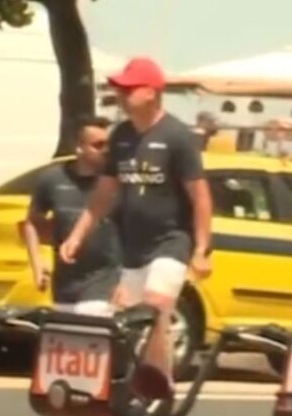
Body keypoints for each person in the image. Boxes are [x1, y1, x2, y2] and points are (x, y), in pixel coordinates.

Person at [59, 57, 213, 380]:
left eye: (129, 90)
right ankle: (138, 384)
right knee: (128, 321)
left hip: (172, 242)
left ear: (151, 92)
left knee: (156, 305)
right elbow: (103, 193)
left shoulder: (177, 136)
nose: (121, 96)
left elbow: (200, 197)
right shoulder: (121, 138)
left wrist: (201, 249)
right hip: (133, 247)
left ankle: (159, 385)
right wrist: (77, 235)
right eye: (119, 90)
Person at [20, 116, 121, 316]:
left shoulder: (117, 182)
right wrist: (37, 265)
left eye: (109, 144)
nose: (106, 150)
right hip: (65, 286)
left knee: (92, 334)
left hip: (106, 283)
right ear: (79, 147)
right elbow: (32, 222)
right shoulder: (53, 179)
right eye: (98, 145)